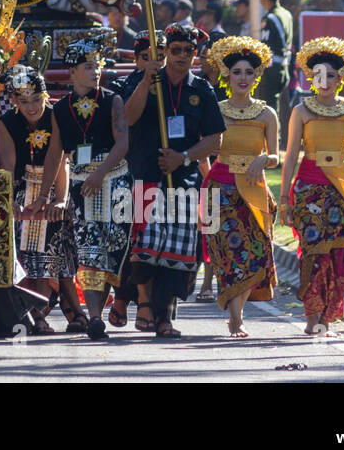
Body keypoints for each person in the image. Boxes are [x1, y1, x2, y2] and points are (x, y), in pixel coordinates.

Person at [120, 24, 225, 339]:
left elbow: (215, 140)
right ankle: (142, 303)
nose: (182, 56)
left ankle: (164, 317)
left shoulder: (202, 90)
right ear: (165, 51)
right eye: (175, 50)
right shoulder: (144, 80)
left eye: (188, 51)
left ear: (195, 54)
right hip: (145, 178)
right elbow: (127, 118)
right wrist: (146, 82)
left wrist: (184, 158)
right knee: (144, 251)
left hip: (183, 181)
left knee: (176, 257)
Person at [281, 37, 344, 336]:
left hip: (341, 190)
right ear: (311, 79)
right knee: (313, 253)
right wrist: (286, 199)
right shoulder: (301, 111)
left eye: (330, 75)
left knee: (339, 254)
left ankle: (328, 315)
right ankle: (312, 316)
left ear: (342, 79)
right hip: (308, 190)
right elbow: (290, 158)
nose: (324, 81)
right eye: (318, 75)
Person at [0, 65, 84, 335]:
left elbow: (60, 161)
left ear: (45, 96)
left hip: (56, 186)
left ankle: (53, 312)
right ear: (14, 101)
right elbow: (8, 166)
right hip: (25, 187)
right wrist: (11, 200)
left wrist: (58, 200)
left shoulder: (56, 115)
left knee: (55, 251)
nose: (32, 106)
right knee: (27, 251)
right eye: (24, 101)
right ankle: (42, 312)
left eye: (37, 99)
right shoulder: (7, 122)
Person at [55, 31, 130, 340]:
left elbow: (123, 142)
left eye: (98, 64)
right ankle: (95, 316)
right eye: (88, 65)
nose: (96, 70)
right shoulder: (60, 109)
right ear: (72, 72)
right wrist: (50, 192)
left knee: (115, 246)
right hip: (80, 186)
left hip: (114, 181)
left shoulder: (112, 99)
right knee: (89, 250)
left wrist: (100, 174)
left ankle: (115, 301)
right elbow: (55, 153)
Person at [203, 36, 279, 337]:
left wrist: (264, 159)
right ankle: (237, 319)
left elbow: (275, 154)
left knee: (256, 253)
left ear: (256, 76)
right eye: (237, 72)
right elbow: (204, 149)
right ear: (227, 75)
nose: (243, 78)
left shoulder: (267, 113)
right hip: (220, 190)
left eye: (249, 72)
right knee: (228, 256)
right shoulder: (215, 110)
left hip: (254, 190)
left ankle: (238, 315)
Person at [254, 0, 293, 120]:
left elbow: (265, 46)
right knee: (277, 110)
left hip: (270, 70)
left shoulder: (270, 18)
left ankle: (273, 141)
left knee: (268, 111)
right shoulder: (286, 14)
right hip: (284, 68)